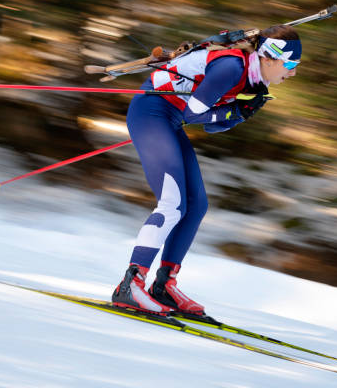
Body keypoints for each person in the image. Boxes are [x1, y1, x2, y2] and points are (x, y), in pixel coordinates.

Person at [112, 25, 302, 316]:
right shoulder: (231, 67)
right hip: (151, 112)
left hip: (169, 120)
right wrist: (232, 111)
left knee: (197, 205)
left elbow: (213, 126)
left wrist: (239, 114)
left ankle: (164, 285)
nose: (292, 73)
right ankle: (131, 284)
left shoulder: (253, 82)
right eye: (290, 64)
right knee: (172, 204)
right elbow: (194, 114)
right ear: (268, 57)